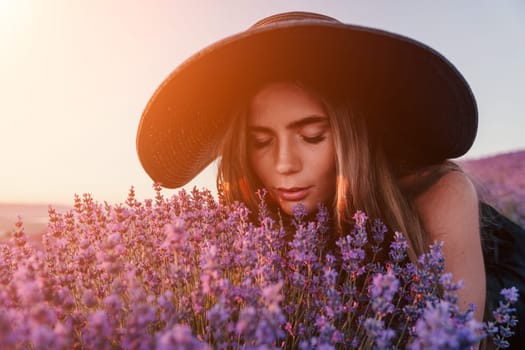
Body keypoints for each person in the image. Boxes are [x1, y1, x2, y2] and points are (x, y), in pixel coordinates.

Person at [136, 11, 525, 347]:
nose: (285, 164)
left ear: (350, 136)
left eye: (312, 136)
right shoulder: (252, 220)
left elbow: (460, 338)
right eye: (260, 141)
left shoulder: (437, 193)